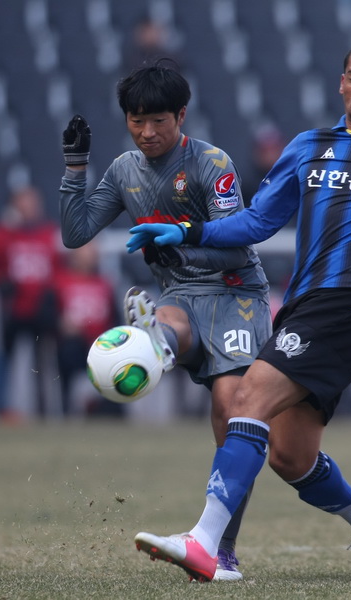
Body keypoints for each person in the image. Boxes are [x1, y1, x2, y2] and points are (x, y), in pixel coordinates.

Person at [126, 41, 351, 582]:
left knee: (246, 399)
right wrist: (189, 231)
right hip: (303, 304)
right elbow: (259, 221)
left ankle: (205, 543)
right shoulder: (309, 146)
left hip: (348, 303)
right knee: (289, 456)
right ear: (340, 83)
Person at [59, 59, 272, 581]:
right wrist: (75, 167)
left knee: (230, 416)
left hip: (235, 293)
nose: (148, 132)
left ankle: (223, 550)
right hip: (179, 294)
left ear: (181, 116)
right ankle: (155, 343)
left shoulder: (212, 164)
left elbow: (236, 244)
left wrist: (180, 240)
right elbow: (75, 233)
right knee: (170, 322)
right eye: (137, 121)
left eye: (159, 121)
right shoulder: (123, 171)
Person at [0, 186, 62, 419]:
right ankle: (3, 407)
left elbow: (57, 269)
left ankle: (43, 411)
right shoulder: (5, 234)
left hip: (40, 309)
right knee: (6, 359)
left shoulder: (48, 233)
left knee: (42, 363)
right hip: (13, 308)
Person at [53, 242, 121, 417]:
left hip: (102, 343)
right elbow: (47, 315)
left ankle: (110, 411)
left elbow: (116, 318)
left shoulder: (105, 283)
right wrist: (61, 323)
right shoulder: (60, 282)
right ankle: (69, 409)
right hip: (74, 344)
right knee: (69, 352)